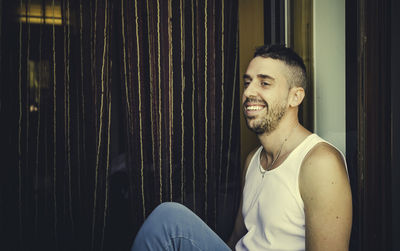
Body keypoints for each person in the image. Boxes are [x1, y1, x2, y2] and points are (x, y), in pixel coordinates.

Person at [131, 44, 352, 251]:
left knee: (169, 219)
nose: (248, 92)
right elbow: (239, 237)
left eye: (264, 83)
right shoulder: (253, 160)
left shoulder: (321, 163)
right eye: (247, 82)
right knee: (167, 219)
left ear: (295, 97)